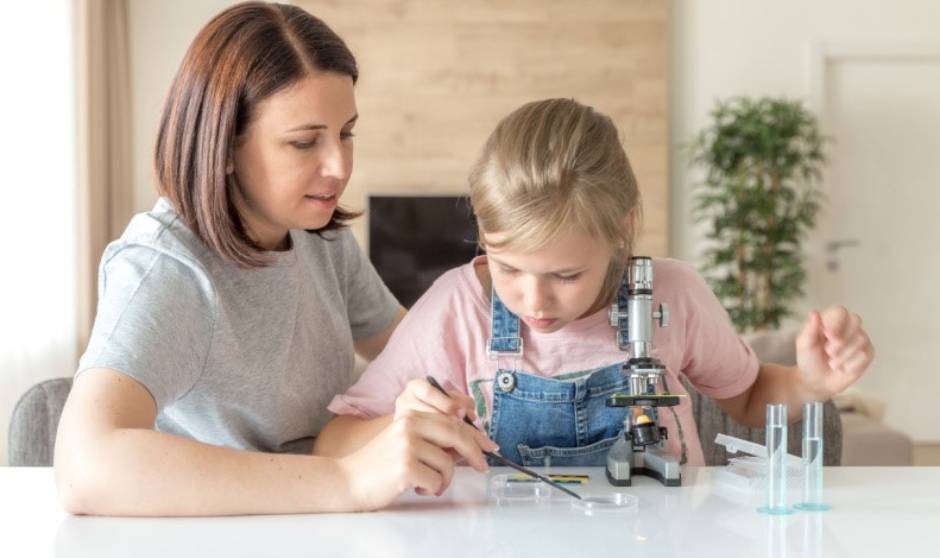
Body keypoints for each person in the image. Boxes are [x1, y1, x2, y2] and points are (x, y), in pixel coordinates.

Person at [54, 2, 494, 517]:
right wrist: (347, 480)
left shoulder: (320, 238)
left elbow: (422, 351)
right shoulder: (166, 269)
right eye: (304, 142)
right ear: (222, 147)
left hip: (324, 528)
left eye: (346, 132)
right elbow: (85, 466)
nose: (340, 165)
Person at [316, 98, 875, 469]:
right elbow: (334, 442)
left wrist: (810, 381)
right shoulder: (456, 309)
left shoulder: (673, 296)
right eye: (508, 268)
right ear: (482, 234)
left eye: (566, 274)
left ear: (622, 229)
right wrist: (405, 428)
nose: (534, 302)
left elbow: (750, 396)